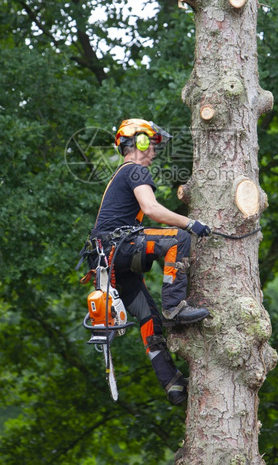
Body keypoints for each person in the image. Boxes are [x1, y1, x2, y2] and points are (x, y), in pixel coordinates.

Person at [90, 118, 211, 405]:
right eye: (151, 144)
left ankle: (173, 385)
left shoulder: (122, 173)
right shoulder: (134, 170)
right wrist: (192, 223)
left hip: (108, 263)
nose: (155, 151)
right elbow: (152, 209)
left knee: (149, 320)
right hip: (116, 249)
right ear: (139, 141)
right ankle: (175, 306)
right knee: (178, 239)